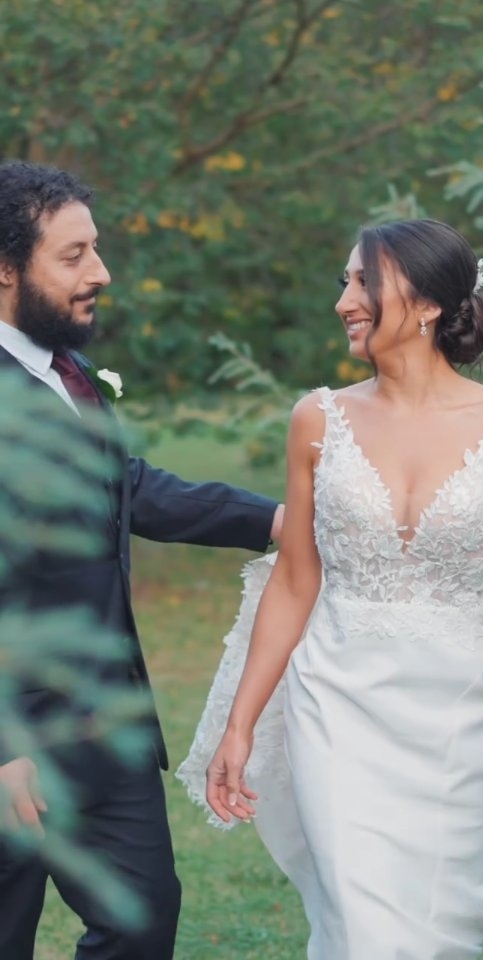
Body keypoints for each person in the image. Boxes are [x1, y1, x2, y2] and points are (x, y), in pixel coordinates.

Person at [201, 218, 483, 960]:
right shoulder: (317, 420)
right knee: (361, 928)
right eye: (345, 282)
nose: (344, 301)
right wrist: (240, 723)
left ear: (423, 305)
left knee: (437, 930)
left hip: (460, 719)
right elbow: (294, 582)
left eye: (363, 282)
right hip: (337, 706)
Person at [0, 159, 283, 960]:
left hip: (103, 728)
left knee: (143, 918)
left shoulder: (66, 373)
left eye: (97, 249)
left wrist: (275, 518)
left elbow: (127, 488)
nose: (102, 272)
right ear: (6, 269)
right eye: (74, 256)